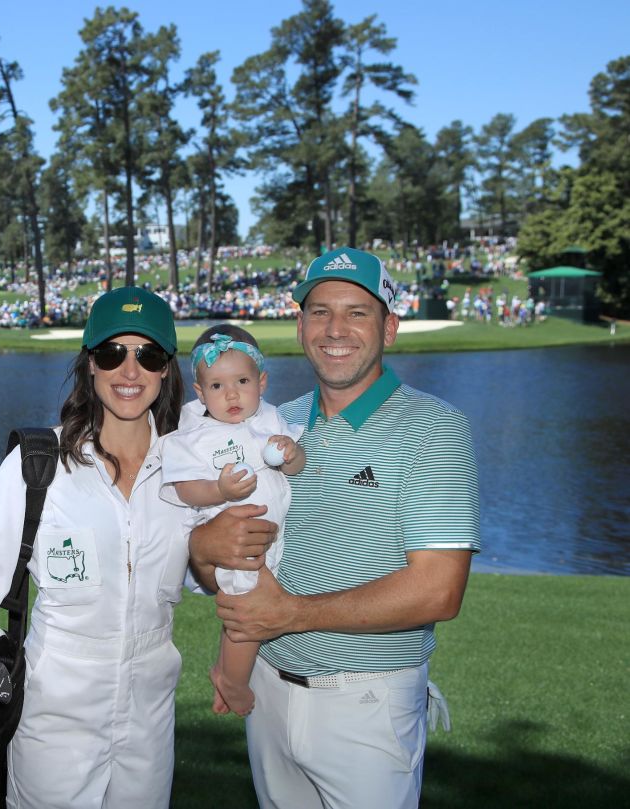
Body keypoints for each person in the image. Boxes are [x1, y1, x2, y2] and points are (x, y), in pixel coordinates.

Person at [190, 247, 480, 809]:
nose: (335, 329)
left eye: (357, 312)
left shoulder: (435, 428)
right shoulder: (273, 422)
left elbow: (439, 590)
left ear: (389, 327)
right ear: (299, 325)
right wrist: (203, 546)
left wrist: (292, 613)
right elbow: (214, 564)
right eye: (319, 311)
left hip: (367, 703)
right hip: (269, 689)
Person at [0, 286, 190, 808]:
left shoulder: (189, 470)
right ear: (89, 365)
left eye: (147, 355)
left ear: (167, 369)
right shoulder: (39, 465)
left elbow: (211, 570)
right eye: (112, 353)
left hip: (150, 722)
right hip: (54, 724)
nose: (130, 371)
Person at [159, 325, 304, 717]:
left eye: (242, 381)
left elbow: (297, 466)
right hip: (236, 541)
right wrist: (220, 490)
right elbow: (185, 489)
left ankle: (226, 669)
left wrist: (292, 453)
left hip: (272, 537)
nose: (233, 394)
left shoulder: (271, 418)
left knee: (250, 605)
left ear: (262, 382)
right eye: (218, 386)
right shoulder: (193, 436)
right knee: (248, 614)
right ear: (200, 392)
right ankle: (233, 682)